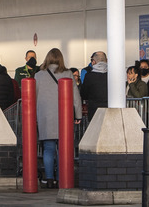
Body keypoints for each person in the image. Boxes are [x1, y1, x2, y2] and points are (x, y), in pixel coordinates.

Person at [35, 48, 81, 189]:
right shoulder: (67, 74)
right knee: (63, 149)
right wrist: (78, 115)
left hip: (45, 117)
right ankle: (62, 179)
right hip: (64, 116)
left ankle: (49, 179)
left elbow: (33, 97)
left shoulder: (38, 75)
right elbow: (76, 97)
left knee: (48, 148)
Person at [79, 51, 108, 121]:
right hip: (109, 110)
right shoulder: (112, 75)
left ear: (94, 62)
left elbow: (84, 94)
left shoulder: (89, 76)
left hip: (94, 110)